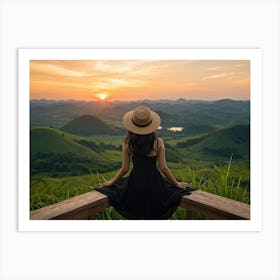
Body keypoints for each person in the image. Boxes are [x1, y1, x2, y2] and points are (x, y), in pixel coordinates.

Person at [95, 106, 194, 219]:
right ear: (151, 125)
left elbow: (125, 169)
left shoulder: (128, 143)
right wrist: (177, 184)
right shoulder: (158, 142)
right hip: (154, 183)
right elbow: (163, 168)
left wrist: (111, 183)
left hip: (135, 182)